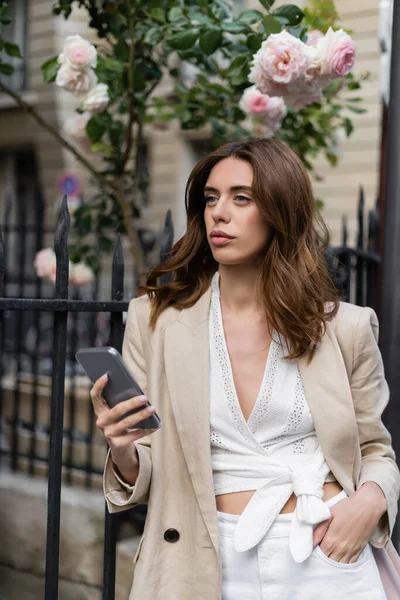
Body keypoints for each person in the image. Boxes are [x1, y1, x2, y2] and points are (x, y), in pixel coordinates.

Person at [91, 138, 400, 600]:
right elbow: (144, 472)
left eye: (242, 198)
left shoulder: (345, 327)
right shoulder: (155, 321)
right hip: (205, 557)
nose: (219, 212)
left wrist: (369, 504)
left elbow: (376, 449)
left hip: (326, 549)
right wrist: (123, 450)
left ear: (279, 211)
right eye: (211, 198)